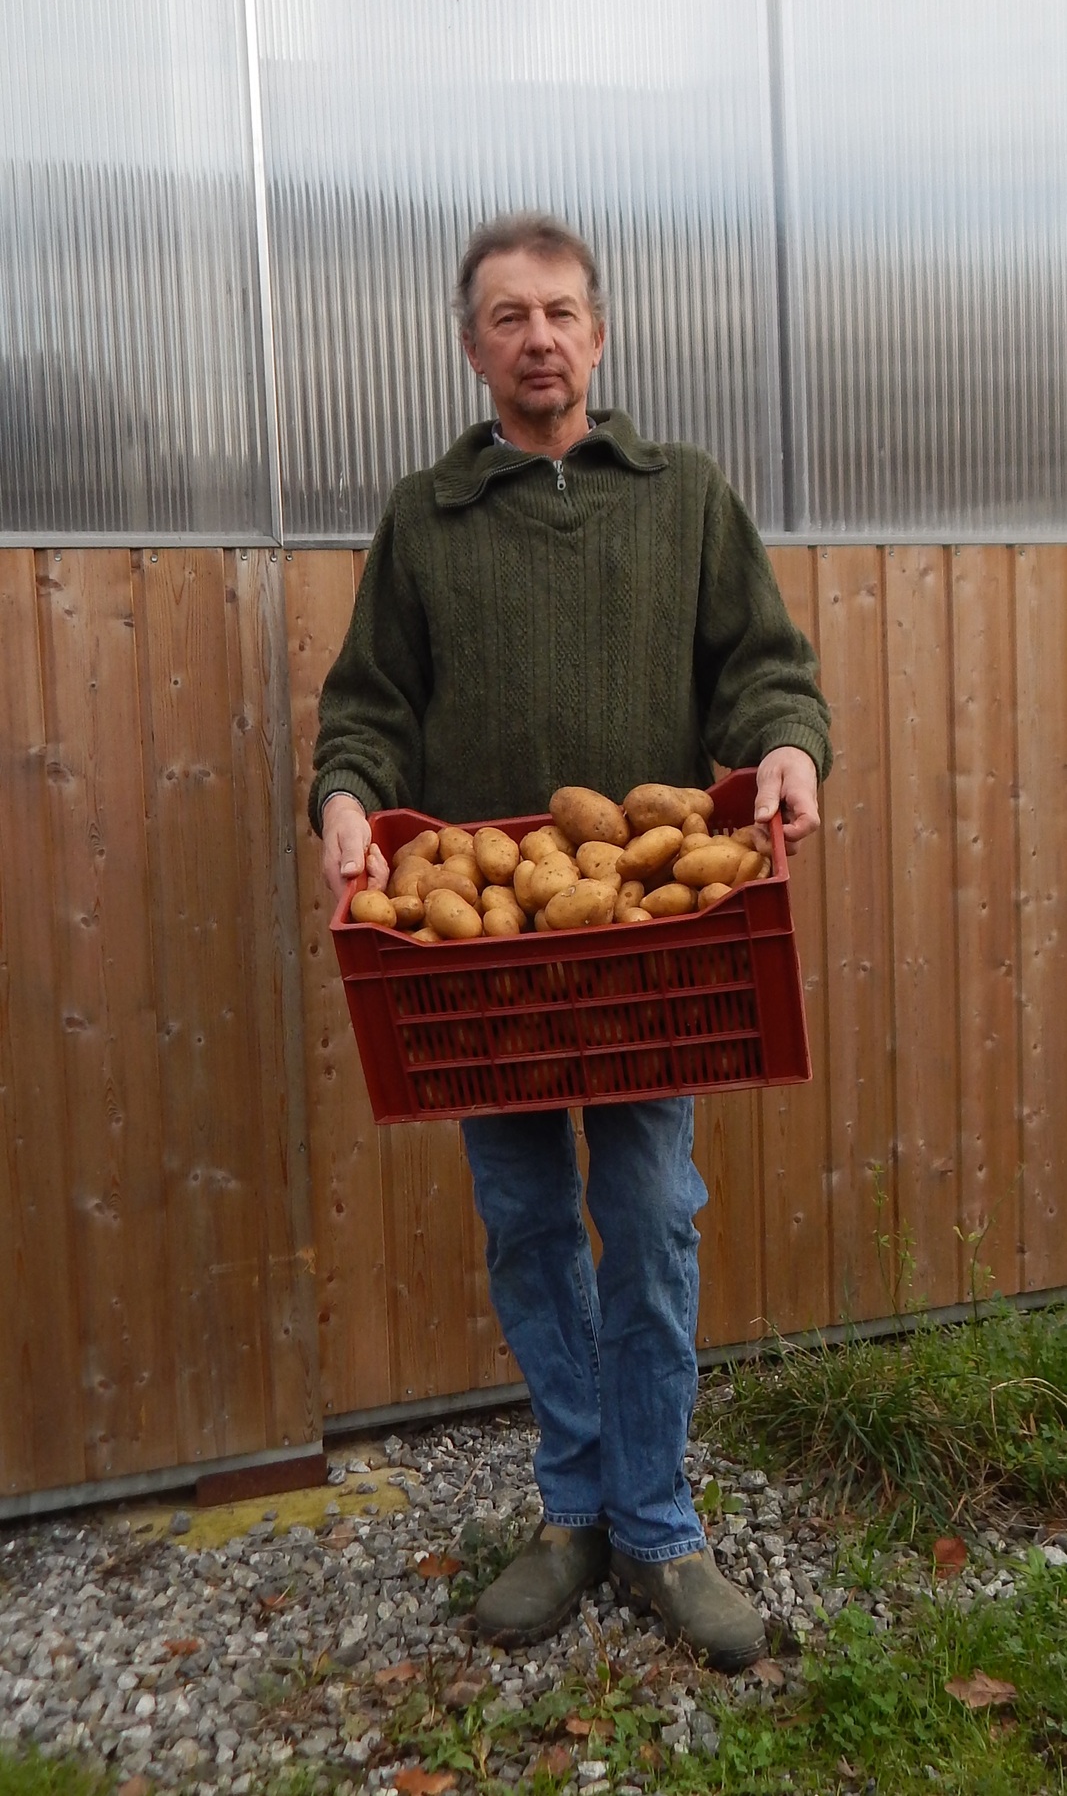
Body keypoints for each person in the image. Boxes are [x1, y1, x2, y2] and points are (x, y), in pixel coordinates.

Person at [310, 212, 832, 1670]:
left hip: (652, 958)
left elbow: (764, 672)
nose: (536, 336)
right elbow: (368, 706)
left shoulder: (684, 498)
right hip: (490, 964)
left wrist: (788, 750)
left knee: (655, 1218)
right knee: (532, 1225)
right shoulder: (428, 518)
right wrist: (346, 798)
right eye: (505, 316)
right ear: (472, 346)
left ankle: (658, 1525)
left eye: (559, 312)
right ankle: (573, 1511)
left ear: (597, 335)